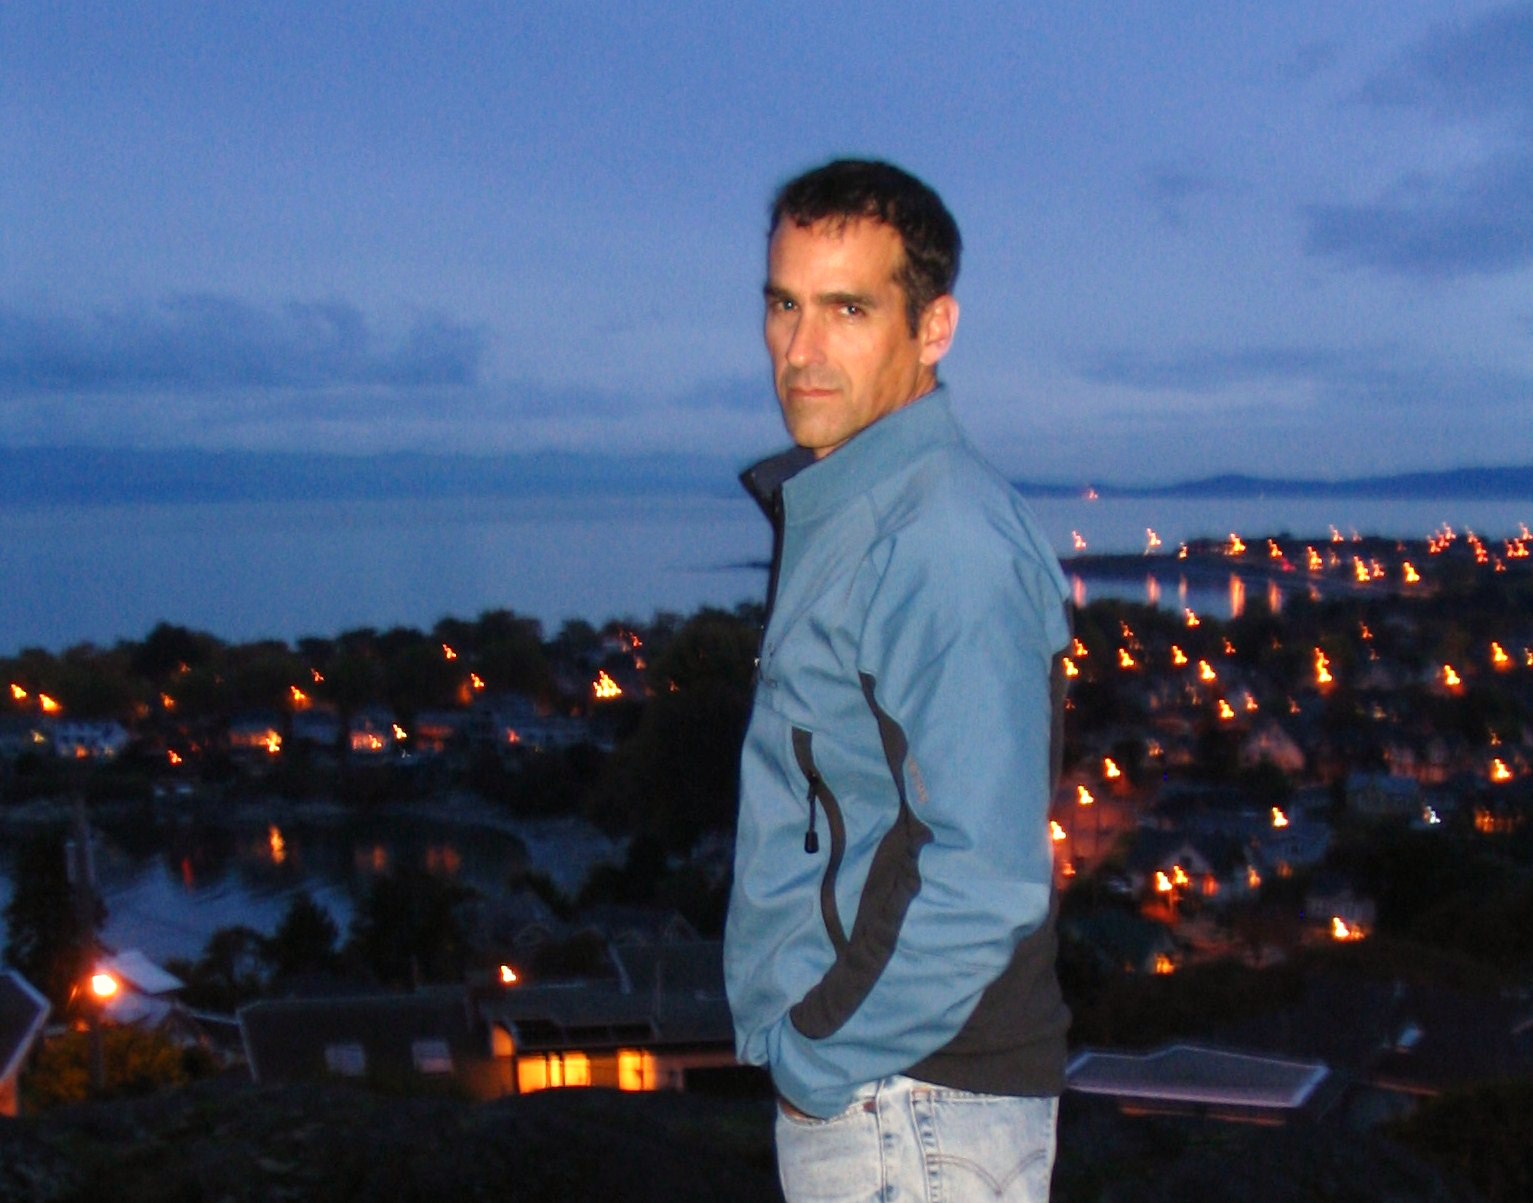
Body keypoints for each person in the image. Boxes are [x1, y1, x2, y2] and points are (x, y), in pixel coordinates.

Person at [723, 159, 1073, 1202]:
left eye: (848, 309)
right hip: (899, 1096)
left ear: (933, 328)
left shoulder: (937, 537)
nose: (801, 349)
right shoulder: (868, 509)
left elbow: (985, 872)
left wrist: (815, 1061)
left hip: (907, 1102)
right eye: (784, 305)